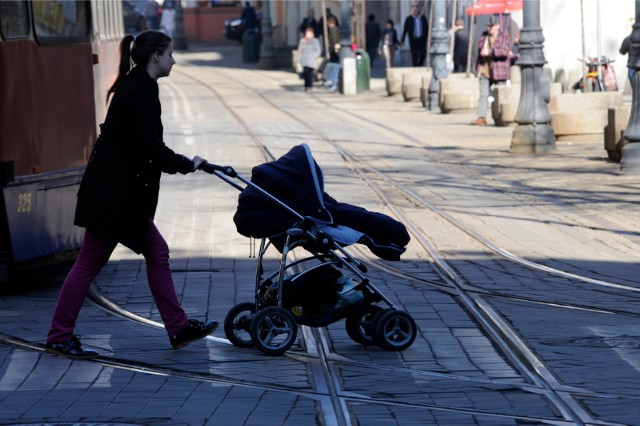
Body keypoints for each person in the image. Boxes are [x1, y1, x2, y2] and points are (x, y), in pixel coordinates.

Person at [45, 31, 218, 359]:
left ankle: (177, 326)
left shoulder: (134, 83)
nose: (174, 60)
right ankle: (59, 334)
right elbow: (150, 145)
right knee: (100, 263)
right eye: (170, 54)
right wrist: (187, 164)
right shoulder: (141, 89)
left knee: (139, 254)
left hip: (113, 194)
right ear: (156, 56)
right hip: (117, 197)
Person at [470, 16, 511, 126]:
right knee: (483, 94)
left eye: (492, 26)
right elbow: (479, 49)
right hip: (485, 70)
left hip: (499, 71)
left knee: (500, 95)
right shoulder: (484, 36)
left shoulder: (504, 36)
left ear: (498, 26)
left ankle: (501, 117)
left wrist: (490, 52)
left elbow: (504, 51)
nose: (490, 28)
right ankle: (481, 117)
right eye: (488, 26)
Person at [297, 27, 321, 91]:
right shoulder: (302, 41)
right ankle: (306, 85)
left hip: (311, 60)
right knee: (305, 73)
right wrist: (298, 59)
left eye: (309, 33)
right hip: (304, 59)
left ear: (312, 34)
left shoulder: (315, 41)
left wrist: (314, 56)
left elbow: (318, 50)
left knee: (310, 73)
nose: (307, 34)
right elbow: (300, 50)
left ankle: (310, 86)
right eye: (307, 33)